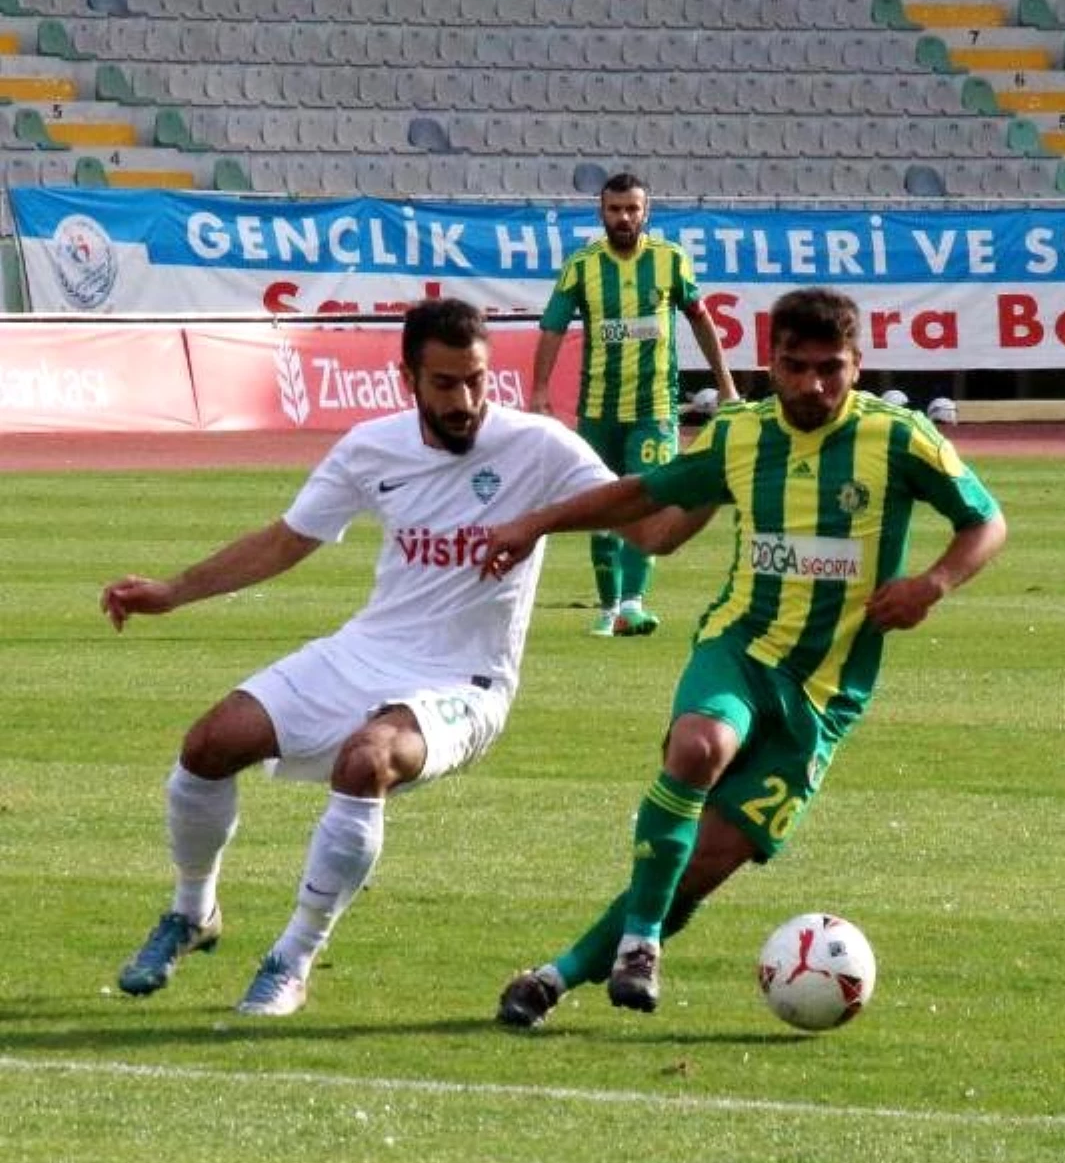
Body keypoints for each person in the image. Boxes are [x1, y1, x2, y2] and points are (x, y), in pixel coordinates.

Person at [483, 286, 1007, 1026]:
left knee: (701, 866)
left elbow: (985, 522)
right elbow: (646, 498)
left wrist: (933, 583)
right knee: (699, 747)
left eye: (831, 368)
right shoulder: (741, 434)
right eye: (796, 367)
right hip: (740, 647)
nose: (813, 386)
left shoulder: (899, 438)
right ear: (773, 362)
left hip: (826, 695)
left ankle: (554, 978)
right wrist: (535, 523)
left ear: (858, 365)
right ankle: (640, 944)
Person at [101, 298, 637, 1018]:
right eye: (445, 383)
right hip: (367, 650)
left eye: (477, 380)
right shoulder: (369, 448)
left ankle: (292, 957)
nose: (466, 400)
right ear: (406, 378)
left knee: (366, 761)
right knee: (208, 744)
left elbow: (647, 518)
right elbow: (288, 539)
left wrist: (712, 478)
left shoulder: (537, 445)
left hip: (467, 680)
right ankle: (193, 913)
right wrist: (172, 592)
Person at [529, 171, 738, 639]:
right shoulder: (581, 266)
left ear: (647, 212)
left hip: (654, 409)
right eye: (615, 209)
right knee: (601, 506)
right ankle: (608, 607)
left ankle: (631, 604)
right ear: (601, 212)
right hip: (599, 410)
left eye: (632, 209)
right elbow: (553, 327)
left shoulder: (671, 262)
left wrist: (725, 384)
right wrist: (540, 390)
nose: (624, 217)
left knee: (646, 500)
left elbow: (701, 320)